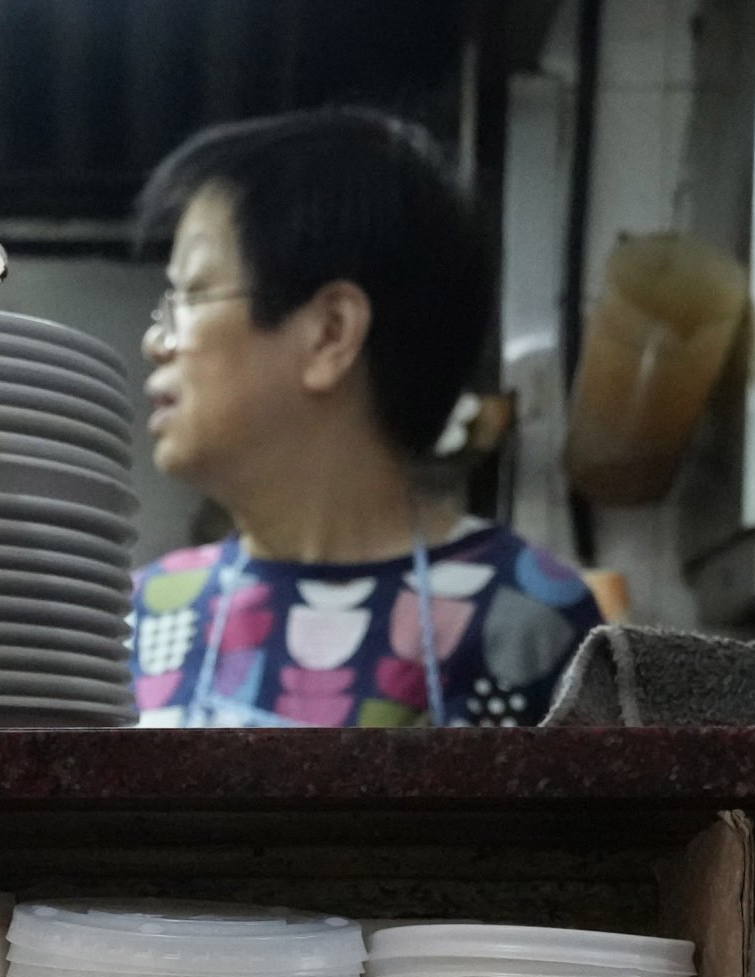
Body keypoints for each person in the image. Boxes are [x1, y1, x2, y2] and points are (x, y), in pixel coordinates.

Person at [129, 109, 604, 728]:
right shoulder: (143, 619)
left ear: (330, 334)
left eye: (191, 295)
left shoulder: (529, 616)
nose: (157, 341)